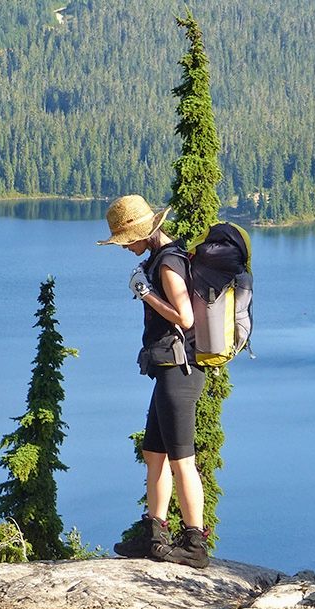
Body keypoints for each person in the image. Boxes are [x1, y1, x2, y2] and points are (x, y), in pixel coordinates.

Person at [97, 194, 210, 569]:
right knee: (154, 454)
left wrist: (145, 294)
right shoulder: (160, 259)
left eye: (126, 240)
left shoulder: (168, 263)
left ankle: (195, 543)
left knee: (182, 460)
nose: (125, 248)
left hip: (180, 371)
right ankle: (155, 534)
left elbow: (185, 318)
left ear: (143, 233)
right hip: (168, 372)